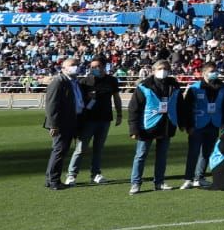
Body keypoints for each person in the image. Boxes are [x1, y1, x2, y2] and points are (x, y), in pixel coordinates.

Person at [127, 60, 180, 193]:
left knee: (162, 156)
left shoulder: (173, 85)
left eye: (166, 68)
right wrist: (133, 129)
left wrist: (182, 123)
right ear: (153, 70)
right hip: (147, 126)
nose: (163, 71)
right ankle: (136, 183)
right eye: (160, 68)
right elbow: (134, 108)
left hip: (167, 125)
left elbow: (180, 105)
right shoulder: (144, 86)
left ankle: (159, 182)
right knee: (141, 155)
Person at [67, 55, 121, 186]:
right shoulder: (84, 82)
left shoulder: (112, 81)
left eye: (97, 66)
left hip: (105, 119)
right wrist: (87, 97)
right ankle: (71, 175)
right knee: (80, 148)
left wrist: (119, 114)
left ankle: (95, 174)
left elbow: (116, 97)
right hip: (88, 119)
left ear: (104, 67)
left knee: (98, 149)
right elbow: (78, 100)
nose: (94, 69)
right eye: (92, 67)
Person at [179, 63, 224, 189]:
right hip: (197, 125)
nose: (215, 73)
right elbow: (186, 108)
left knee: (206, 153)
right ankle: (188, 179)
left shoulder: (222, 88)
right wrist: (188, 125)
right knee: (193, 152)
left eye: (216, 70)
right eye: (212, 71)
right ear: (204, 73)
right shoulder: (195, 88)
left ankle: (199, 177)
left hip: (214, 123)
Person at [42, 56, 82, 191]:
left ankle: (50, 179)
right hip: (61, 123)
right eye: (72, 65)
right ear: (63, 68)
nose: (75, 67)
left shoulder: (74, 81)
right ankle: (54, 180)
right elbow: (51, 105)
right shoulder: (58, 82)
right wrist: (53, 124)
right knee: (59, 151)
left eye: (76, 64)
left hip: (71, 121)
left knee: (60, 151)